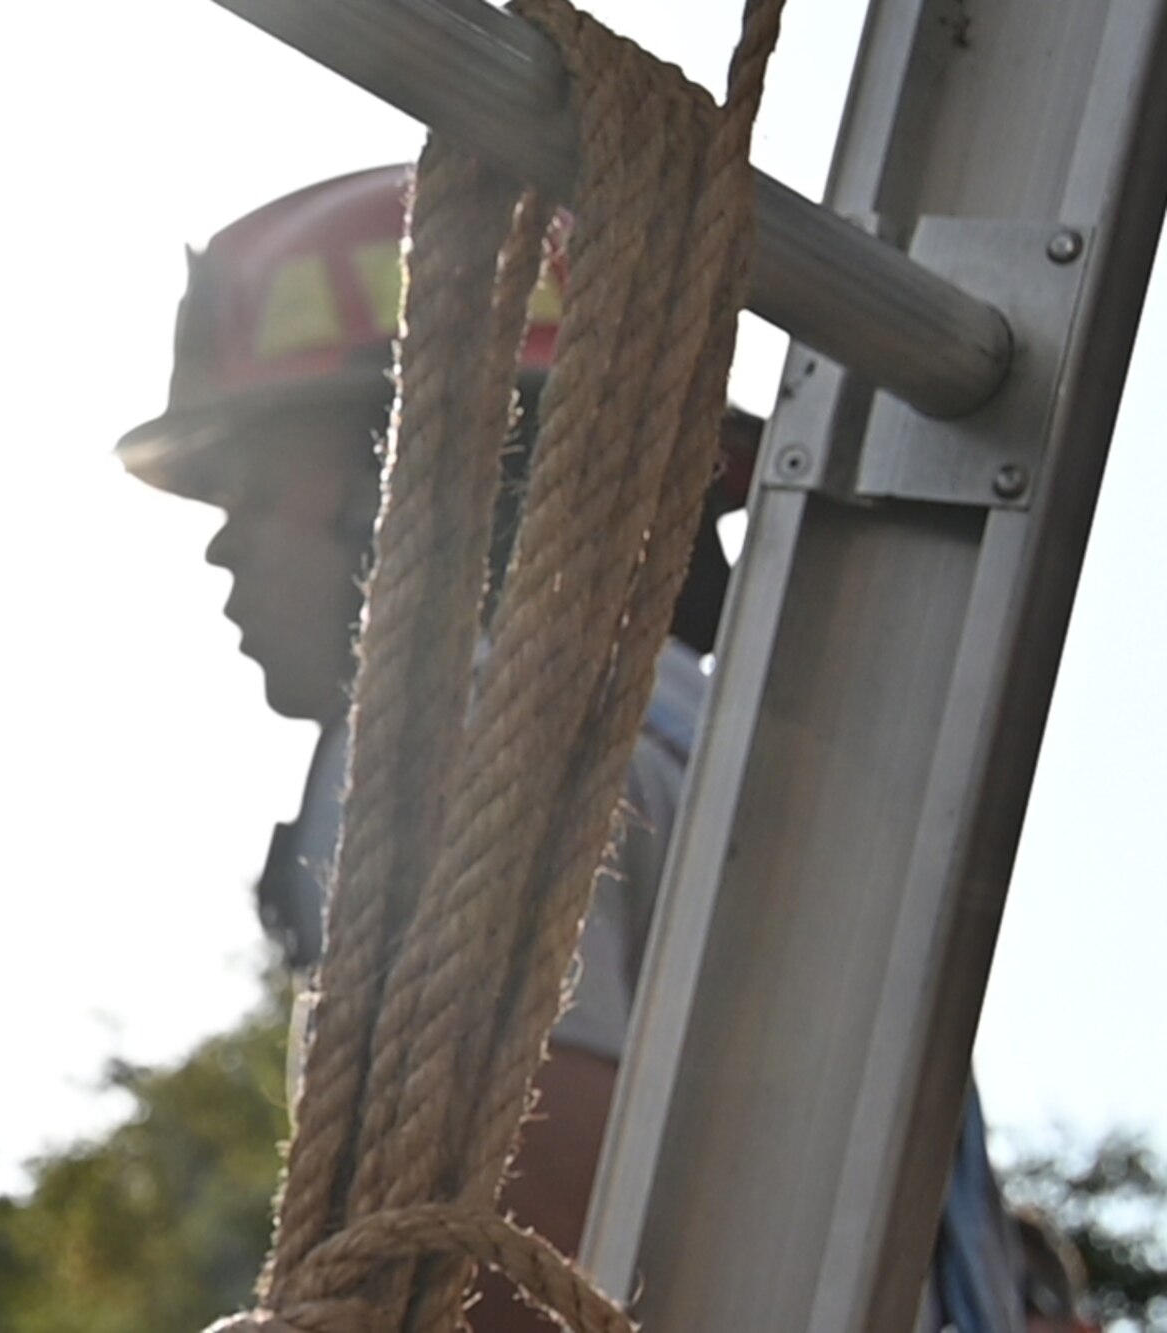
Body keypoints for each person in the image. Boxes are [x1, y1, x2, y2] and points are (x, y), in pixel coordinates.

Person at [117, 165, 1029, 1333]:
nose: (221, 550)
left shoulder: (450, 742)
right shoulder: (726, 738)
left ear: (418, 461)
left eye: (246, 488)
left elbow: (511, 1271)